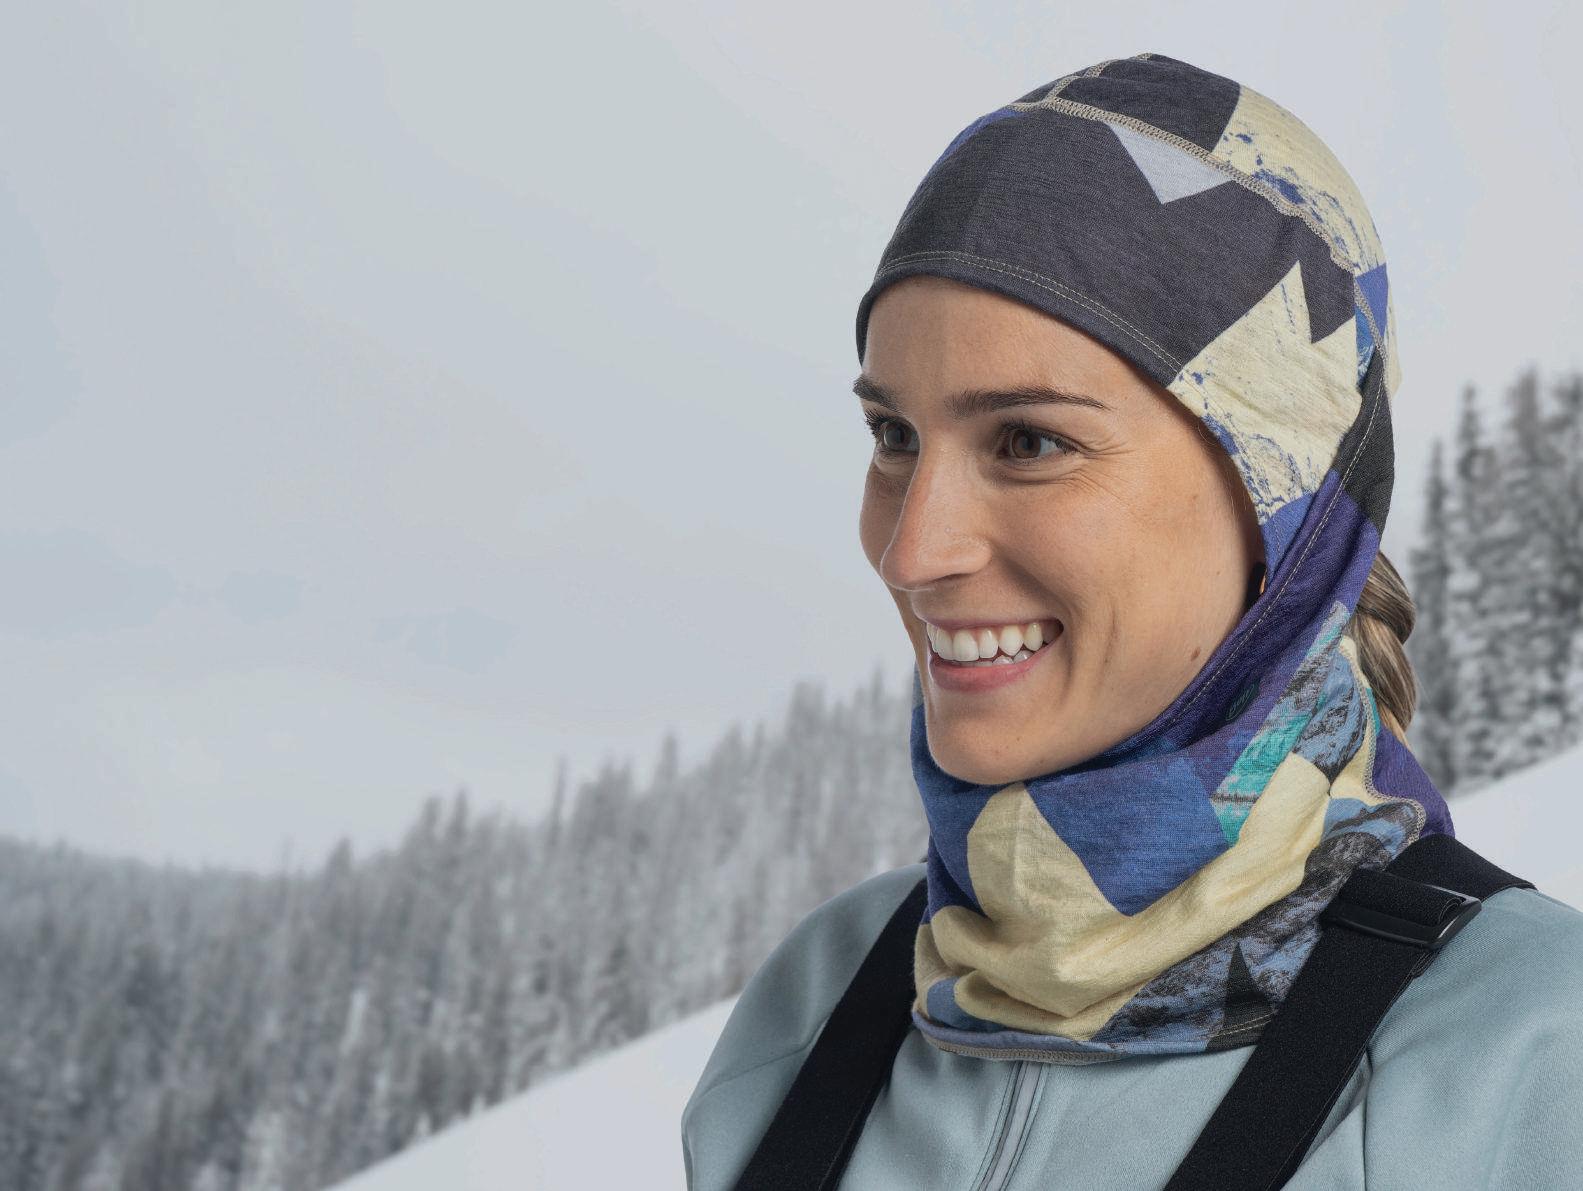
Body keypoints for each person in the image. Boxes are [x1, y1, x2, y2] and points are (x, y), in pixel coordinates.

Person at [681, 51, 1583, 1189]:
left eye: (1028, 442)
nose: (912, 551)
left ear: (1279, 501)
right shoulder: (820, 999)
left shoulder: (1528, 1053)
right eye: (892, 436)